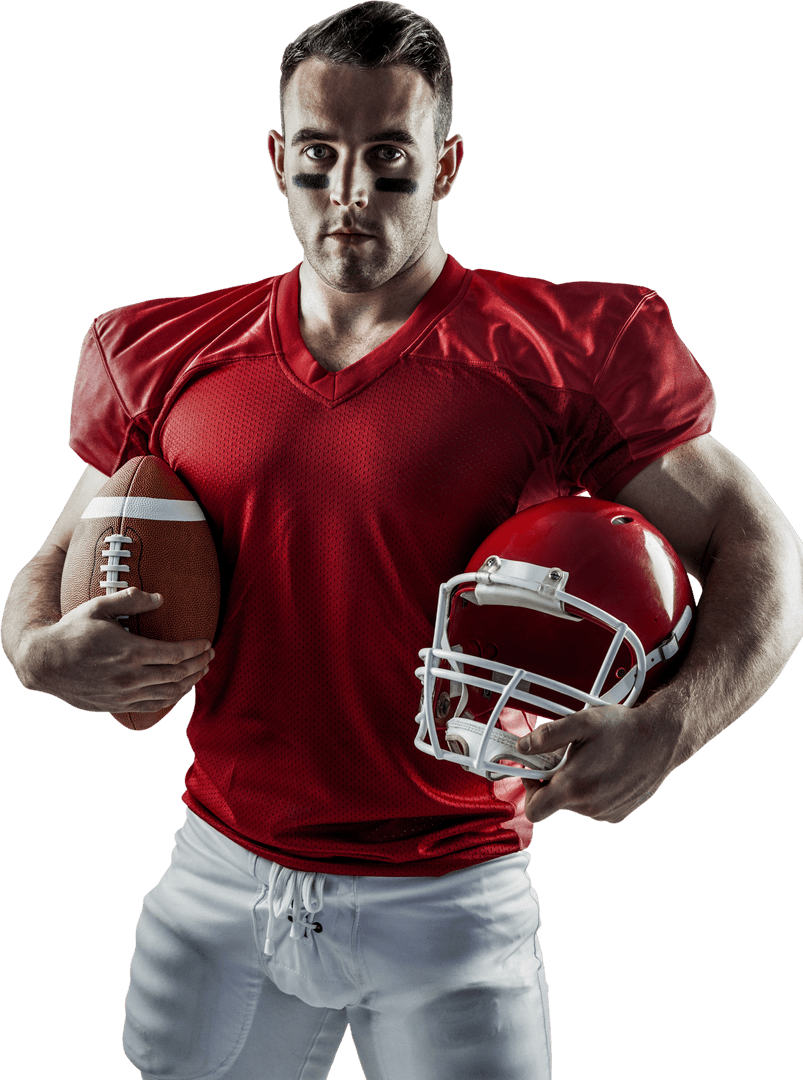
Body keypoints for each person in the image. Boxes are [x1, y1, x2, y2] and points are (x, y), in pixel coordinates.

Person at [2, 3, 801, 1079]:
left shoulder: (552, 351)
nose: (349, 193)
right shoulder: (166, 351)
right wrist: (32, 649)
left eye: (387, 159)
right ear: (277, 159)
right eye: (319, 159)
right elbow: (53, 559)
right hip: (218, 872)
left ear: (445, 163)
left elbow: (759, 541)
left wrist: (673, 726)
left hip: (452, 884)